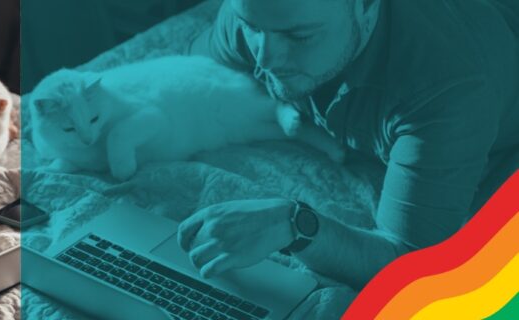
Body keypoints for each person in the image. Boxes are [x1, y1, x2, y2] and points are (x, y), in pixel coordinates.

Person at [179, 0, 519, 290]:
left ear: (368, 7)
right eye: (250, 27)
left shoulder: (448, 86)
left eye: (300, 36)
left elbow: (410, 266)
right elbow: (199, 66)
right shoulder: (267, 14)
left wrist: (295, 225)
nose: (265, 59)